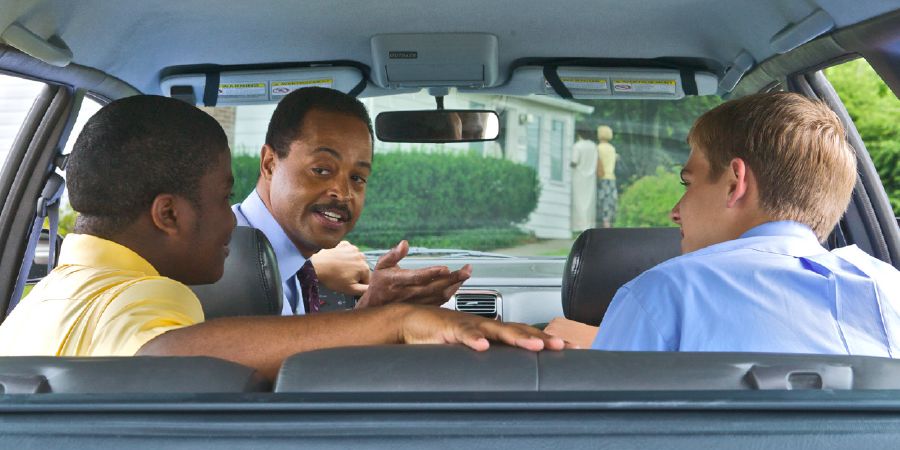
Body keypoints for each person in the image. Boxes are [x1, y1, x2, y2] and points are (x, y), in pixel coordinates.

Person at [0, 95, 566, 380]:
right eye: (224, 199)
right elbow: (164, 359)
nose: (232, 221)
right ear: (168, 215)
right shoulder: (148, 295)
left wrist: (365, 314)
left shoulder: (31, 306)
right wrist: (394, 323)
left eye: (360, 177)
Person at [547, 92, 900, 355]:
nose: (675, 210)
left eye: (688, 183)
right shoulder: (888, 287)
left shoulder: (663, 294)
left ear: (735, 182)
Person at [233, 87, 470, 315]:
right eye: (322, 170)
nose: (344, 193)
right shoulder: (227, 265)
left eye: (357, 177)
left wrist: (373, 311)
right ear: (269, 164)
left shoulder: (287, 263)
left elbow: (290, 353)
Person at [569, 129, 598, 232]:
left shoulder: (578, 146)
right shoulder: (593, 146)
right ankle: (589, 225)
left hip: (579, 177)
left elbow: (574, 162)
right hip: (591, 177)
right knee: (589, 202)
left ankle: (579, 226)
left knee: (579, 202)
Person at [595, 125, 617, 228]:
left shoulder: (598, 148)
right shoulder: (612, 149)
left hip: (602, 178)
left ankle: (605, 225)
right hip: (611, 177)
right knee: (610, 202)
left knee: (602, 201)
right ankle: (610, 224)